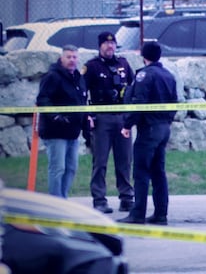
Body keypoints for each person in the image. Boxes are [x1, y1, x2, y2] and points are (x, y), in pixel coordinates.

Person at [118, 41, 178, 225]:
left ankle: (137, 214)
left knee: (141, 171)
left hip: (149, 128)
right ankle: (161, 213)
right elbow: (175, 102)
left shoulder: (145, 75)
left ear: (143, 56)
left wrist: (127, 124)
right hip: (163, 127)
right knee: (158, 172)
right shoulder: (168, 75)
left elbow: (139, 102)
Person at [83, 31, 134, 214]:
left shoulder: (123, 64)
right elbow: (83, 92)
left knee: (125, 160)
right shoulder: (92, 67)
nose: (110, 47)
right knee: (100, 161)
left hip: (121, 117)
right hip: (101, 118)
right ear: (100, 46)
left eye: (112, 44)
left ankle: (127, 198)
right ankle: (99, 199)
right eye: (106, 44)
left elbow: (132, 87)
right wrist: (87, 115)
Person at [36, 44, 89, 198]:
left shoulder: (78, 78)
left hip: (72, 132)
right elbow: (43, 99)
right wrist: (56, 116)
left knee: (71, 168)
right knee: (57, 168)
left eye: (74, 57)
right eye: (68, 57)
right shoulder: (52, 76)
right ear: (61, 58)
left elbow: (82, 102)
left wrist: (86, 121)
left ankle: (63, 199)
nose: (72, 60)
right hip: (55, 132)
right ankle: (56, 203)